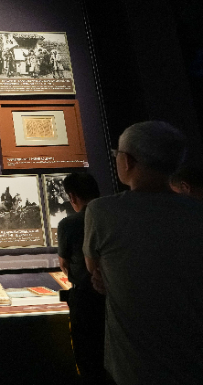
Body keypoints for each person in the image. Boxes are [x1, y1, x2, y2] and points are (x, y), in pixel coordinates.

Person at [84, 121, 203, 385]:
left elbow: (94, 268)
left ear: (126, 161)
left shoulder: (102, 212)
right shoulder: (196, 212)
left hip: (134, 363)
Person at [57, 173, 109, 385]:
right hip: (116, 299)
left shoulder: (69, 224)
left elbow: (64, 263)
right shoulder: (113, 217)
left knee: (88, 360)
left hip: (85, 301)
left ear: (72, 197)